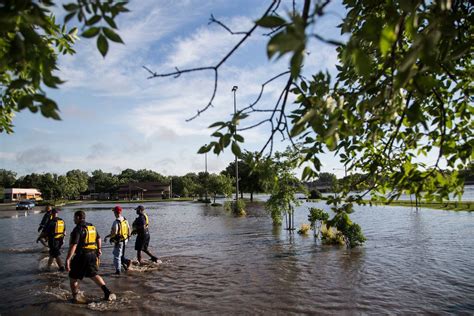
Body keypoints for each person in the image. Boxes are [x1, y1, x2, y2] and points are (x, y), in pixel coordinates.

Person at [65, 210, 115, 303]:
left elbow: (74, 245)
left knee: (73, 277)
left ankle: (75, 297)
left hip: (82, 256)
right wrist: (99, 249)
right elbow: (98, 238)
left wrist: (68, 259)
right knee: (93, 274)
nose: (73, 220)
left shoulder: (78, 229)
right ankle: (107, 292)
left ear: (78, 217)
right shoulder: (92, 227)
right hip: (93, 255)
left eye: (74, 218)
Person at [104, 206, 132, 275]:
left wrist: (107, 237)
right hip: (125, 240)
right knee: (120, 255)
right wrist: (128, 238)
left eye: (114, 211)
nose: (113, 213)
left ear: (115, 212)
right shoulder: (125, 220)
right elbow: (129, 229)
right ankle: (127, 263)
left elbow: (114, 233)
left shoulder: (116, 222)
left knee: (116, 256)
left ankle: (118, 271)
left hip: (119, 241)